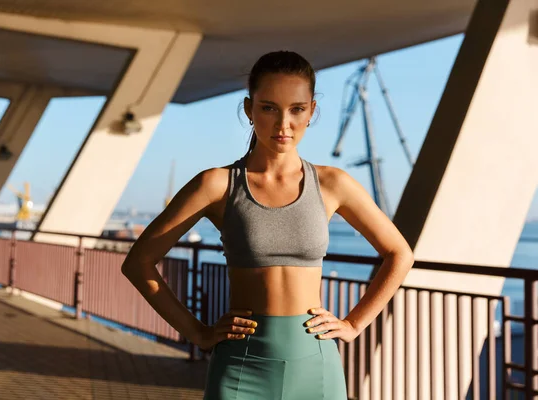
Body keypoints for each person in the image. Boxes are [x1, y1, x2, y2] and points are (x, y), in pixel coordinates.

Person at [121, 50, 414, 399]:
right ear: (249, 109)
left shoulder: (334, 184)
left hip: (316, 368)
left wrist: (353, 324)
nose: (283, 124)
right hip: (241, 368)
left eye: (297, 109)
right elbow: (138, 263)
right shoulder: (216, 185)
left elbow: (399, 253)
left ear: (311, 112)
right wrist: (197, 333)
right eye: (269, 108)